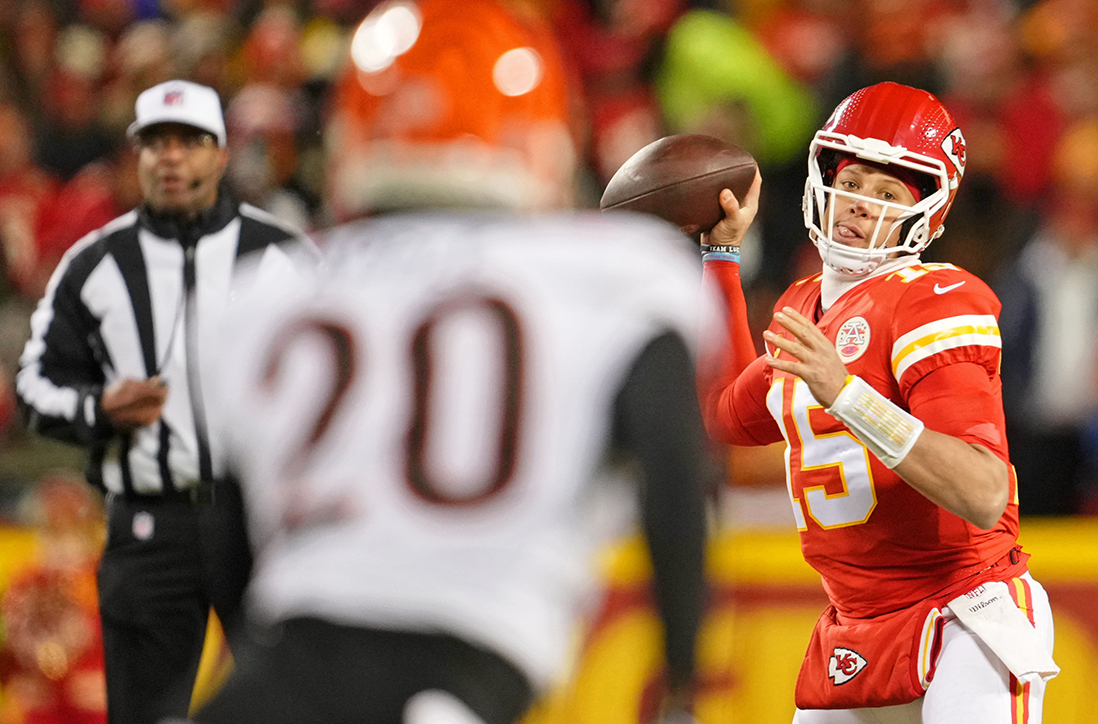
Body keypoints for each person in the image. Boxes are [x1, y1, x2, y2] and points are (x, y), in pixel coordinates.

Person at [191, 1, 710, 723]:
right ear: (545, 137)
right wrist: (682, 678)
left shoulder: (272, 292)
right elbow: (676, 469)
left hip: (278, 675)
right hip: (455, 676)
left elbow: (217, 521)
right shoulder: (610, 274)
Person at [700, 82, 1058, 723]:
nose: (860, 204)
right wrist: (721, 257)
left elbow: (983, 490)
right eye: (855, 181)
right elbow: (725, 411)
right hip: (854, 621)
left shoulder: (938, 298)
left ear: (927, 213)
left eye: (888, 194)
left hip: (961, 611)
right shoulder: (803, 304)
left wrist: (848, 396)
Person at [14, 79, 314, 724]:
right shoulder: (94, 264)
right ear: (136, 157)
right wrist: (99, 409)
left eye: (189, 142)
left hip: (260, 523)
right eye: (156, 143)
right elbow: (34, 385)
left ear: (222, 154)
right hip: (150, 523)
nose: (171, 158)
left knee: (295, 707)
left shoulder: (284, 256)